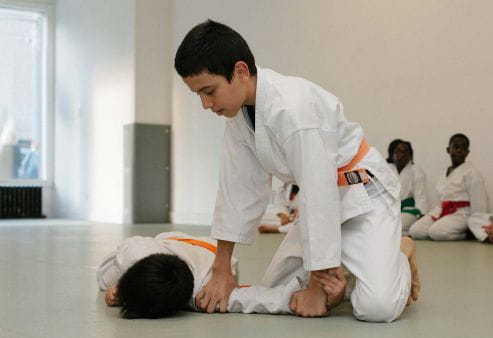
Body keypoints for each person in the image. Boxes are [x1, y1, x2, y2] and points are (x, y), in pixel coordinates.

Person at [174, 20, 418, 321]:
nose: (205, 104)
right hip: (324, 202)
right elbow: (236, 190)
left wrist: (317, 284)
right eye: (198, 94)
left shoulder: (292, 108)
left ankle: (401, 256)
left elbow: (319, 191)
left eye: (209, 91)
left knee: (376, 308)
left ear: (239, 72)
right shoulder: (238, 116)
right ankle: (351, 270)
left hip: (363, 196)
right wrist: (221, 268)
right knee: (277, 290)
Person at [97, 231, 307, 318]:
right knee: (104, 277)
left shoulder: (206, 294)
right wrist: (123, 286)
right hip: (174, 242)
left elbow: (253, 298)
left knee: (108, 280)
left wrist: (302, 298)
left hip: (211, 253)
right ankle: (124, 282)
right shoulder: (139, 252)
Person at [409, 133, 488, 240]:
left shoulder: (472, 173)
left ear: (467, 152)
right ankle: (443, 231)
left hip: (462, 214)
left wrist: (474, 224)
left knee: (436, 232)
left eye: (463, 148)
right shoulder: (444, 173)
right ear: (448, 150)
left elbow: (480, 202)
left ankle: (465, 235)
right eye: (456, 147)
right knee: (415, 231)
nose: (459, 150)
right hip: (442, 211)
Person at [387, 139, 429, 235]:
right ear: (392, 155)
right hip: (392, 209)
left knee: (393, 226)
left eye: (405, 152)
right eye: (397, 151)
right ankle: (406, 232)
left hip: (410, 210)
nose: (401, 155)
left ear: (410, 156)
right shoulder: (388, 169)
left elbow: (421, 196)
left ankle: (407, 231)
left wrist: (422, 216)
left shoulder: (416, 171)